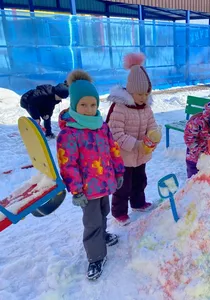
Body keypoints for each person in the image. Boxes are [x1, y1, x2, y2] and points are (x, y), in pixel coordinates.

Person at [56, 70, 125, 280]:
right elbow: (68, 164)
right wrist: (76, 190)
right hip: (87, 190)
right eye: (83, 105)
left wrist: (119, 171)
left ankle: (102, 236)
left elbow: (113, 149)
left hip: (104, 185)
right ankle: (95, 257)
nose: (89, 110)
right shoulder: (69, 134)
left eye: (93, 105)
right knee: (92, 222)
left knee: (103, 214)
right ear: (74, 105)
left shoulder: (101, 126)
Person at [106, 52, 161, 226]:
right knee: (123, 186)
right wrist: (137, 145)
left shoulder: (146, 108)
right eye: (140, 94)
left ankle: (138, 203)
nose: (143, 98)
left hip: (140, 154)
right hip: (124, 156)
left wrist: (153, 137)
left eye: (146, 94)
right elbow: (116, 133)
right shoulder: (120, 108)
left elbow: (152, 125)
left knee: (140, 181)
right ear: (130, 90)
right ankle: (119, 212)